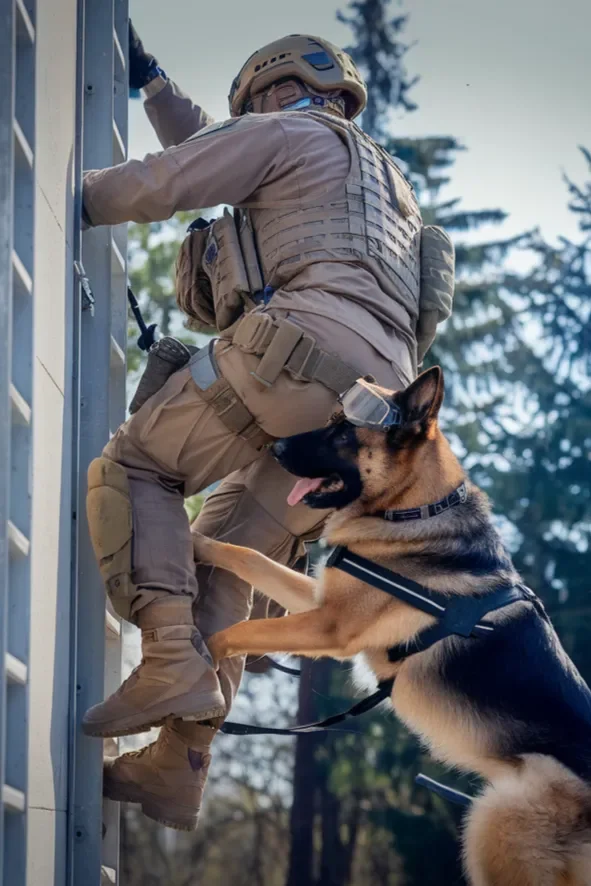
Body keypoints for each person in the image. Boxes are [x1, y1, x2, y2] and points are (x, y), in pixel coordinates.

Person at [81, 24, 454, 831]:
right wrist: (152, 83)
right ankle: (178, 766)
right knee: (225, 558)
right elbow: (219, 153)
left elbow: (176, 175)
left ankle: (173, 662)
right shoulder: (381, 185)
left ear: (268, 93)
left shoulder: (286, 133)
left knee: (139, 468)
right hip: (371, 420)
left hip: (294, 352)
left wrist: (59, 199)